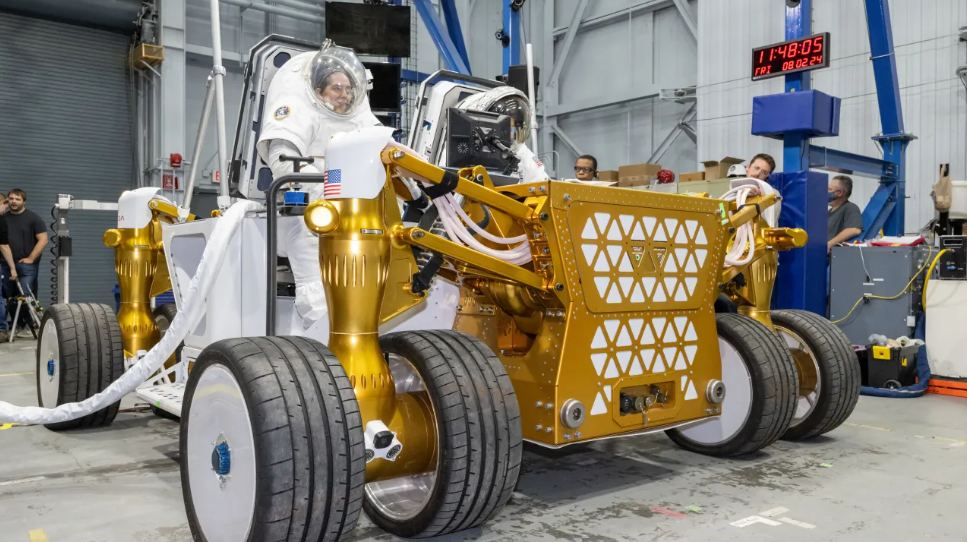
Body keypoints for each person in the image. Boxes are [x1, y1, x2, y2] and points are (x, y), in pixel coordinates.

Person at [256, 40, 381, 327]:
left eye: (349, 89)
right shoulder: (302, 113)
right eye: (337, 88)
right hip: (304, 212)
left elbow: (386, 157)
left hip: (353, 208)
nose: (344, 95)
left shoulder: (360, 123)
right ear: (318, 90)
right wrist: (326, 191)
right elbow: (282, 158)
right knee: (310, 238)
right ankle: (320, 323)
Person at [827, 175, 863, 252]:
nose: (826, 191)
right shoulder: (828, 212)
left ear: (839, 193)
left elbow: (854, 229)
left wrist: (829, 244)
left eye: (829, 189)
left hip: (832, 258)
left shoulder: (850, 208)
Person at [0, 194, 18, 341]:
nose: (6, 209)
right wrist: (12, 268)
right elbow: (4, 246)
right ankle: (1, 330)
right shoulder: (1, 220)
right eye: (6, 206)